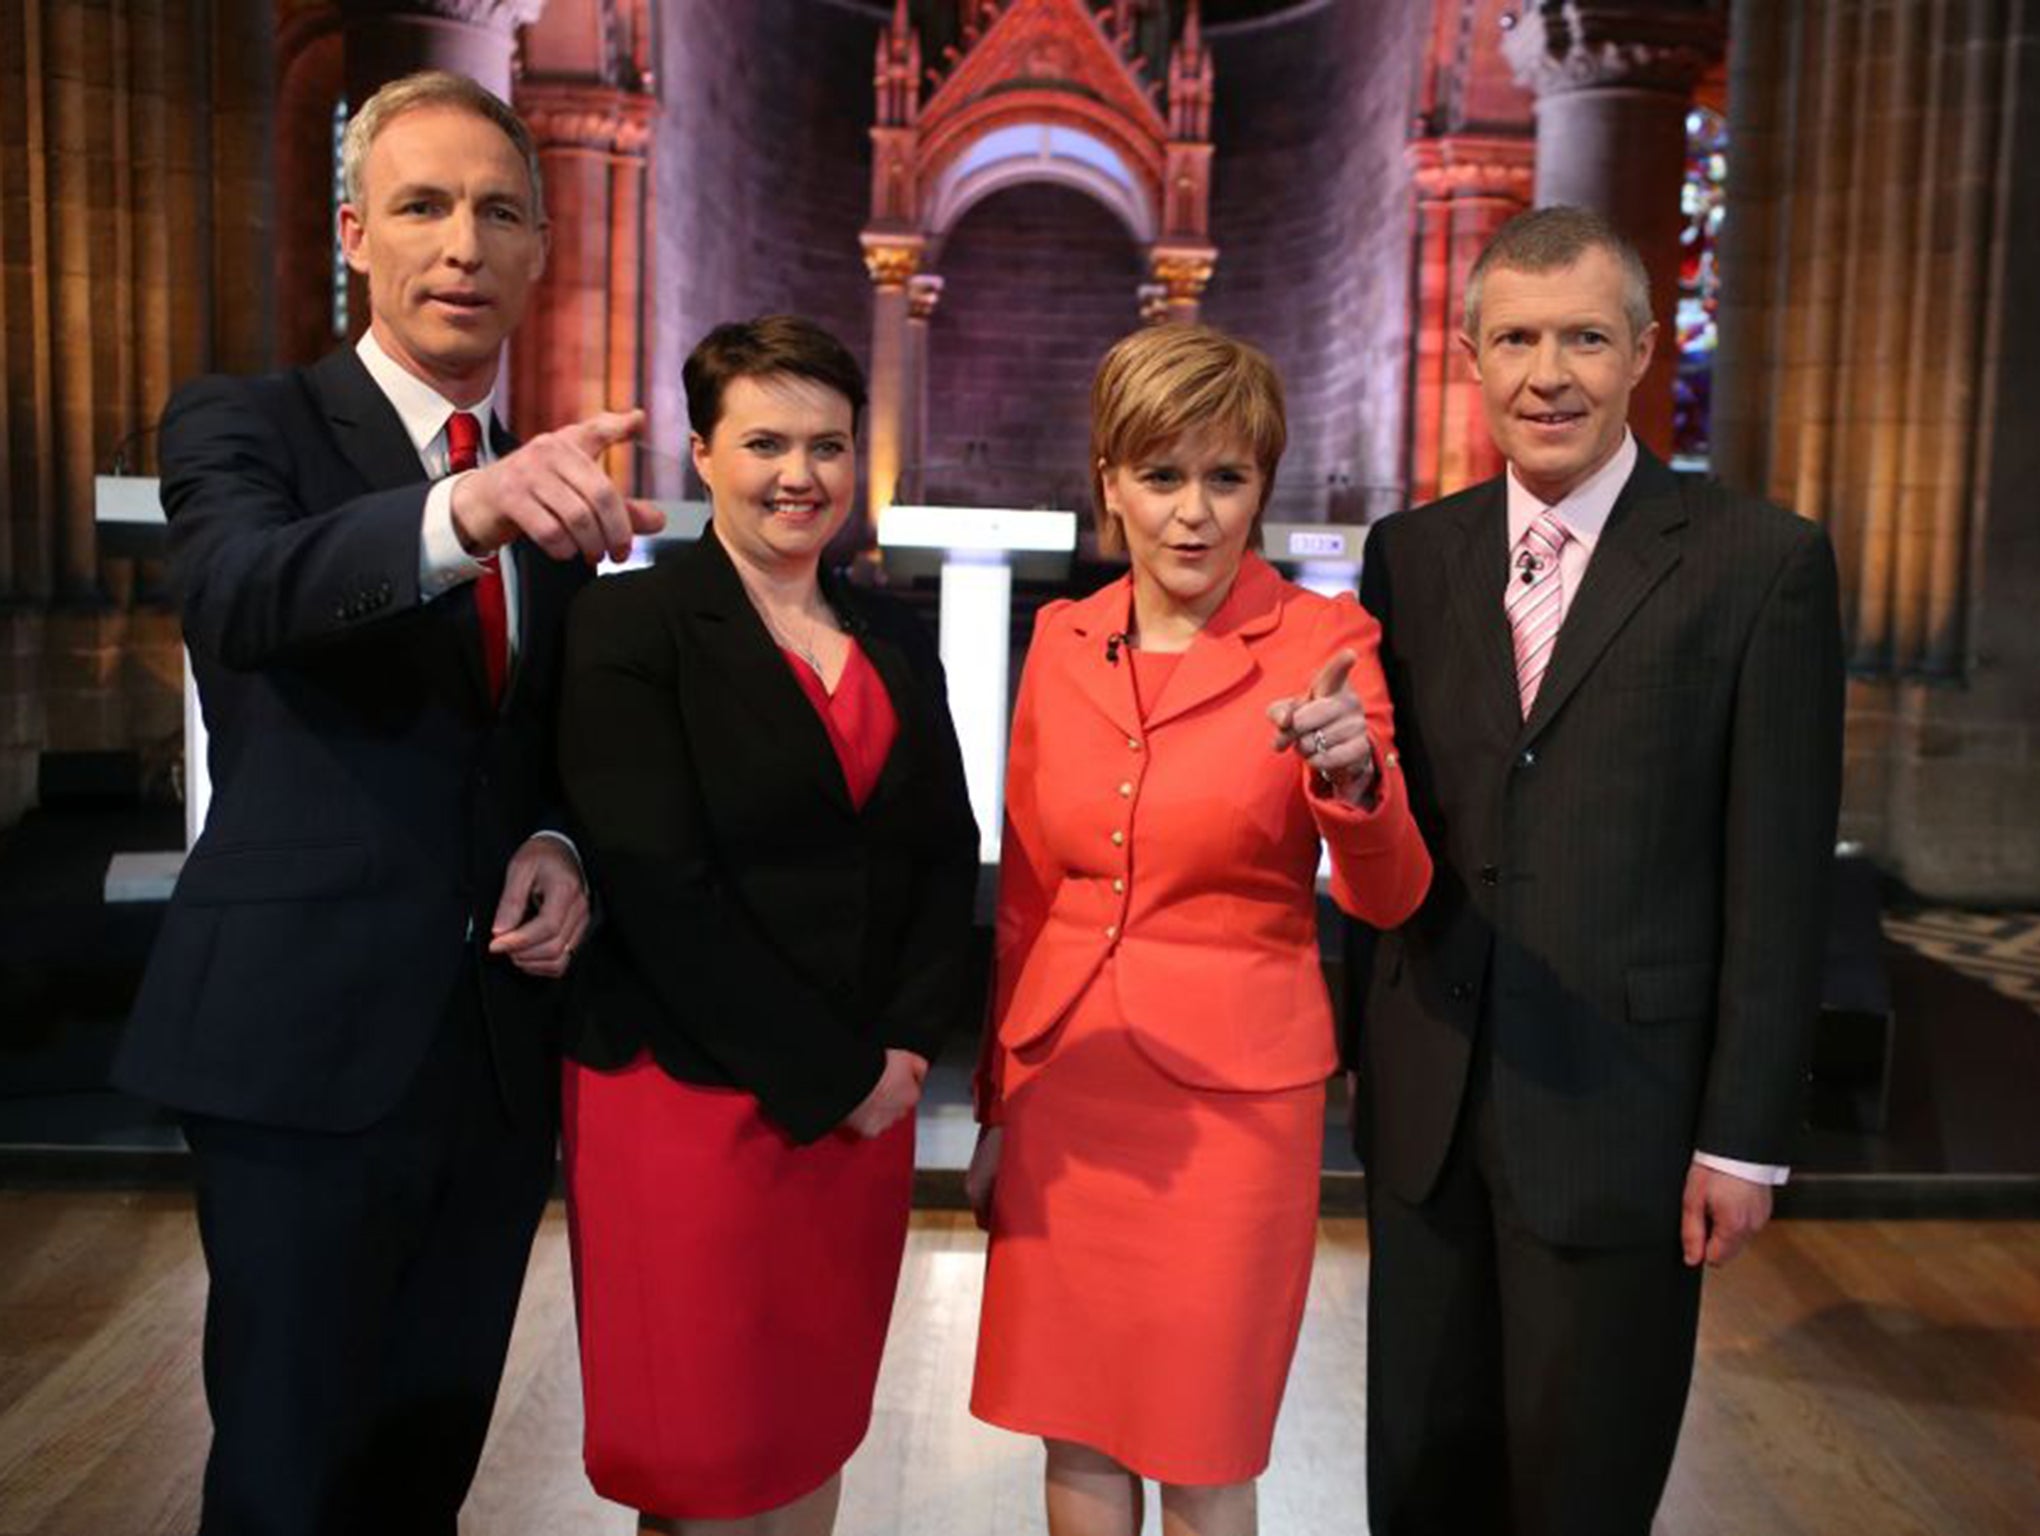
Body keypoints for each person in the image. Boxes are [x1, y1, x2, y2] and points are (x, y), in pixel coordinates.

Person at [115, 70, 662, 1536]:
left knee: (425, 1472)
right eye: (421, 207)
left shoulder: (548, 480)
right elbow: (238, 596)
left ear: (544, 248)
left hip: (490, 1058)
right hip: (297, 1045)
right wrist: (456, 515)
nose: (460, 245)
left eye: (496, 213)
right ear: (355, 234)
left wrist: (560, 842)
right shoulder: (247, 423)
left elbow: (544, 746)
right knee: (287, 1477)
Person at [1347, 204, 1846, 1535]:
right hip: (1430, 1111)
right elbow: (1387, 818)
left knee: (1581, 1484)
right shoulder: (1412, 553)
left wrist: (1743, 1137)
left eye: (1582, 337)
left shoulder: (1762, 564)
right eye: (1513, 338)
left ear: (1645, 349)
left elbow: (1779, 874)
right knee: (1422, 1473)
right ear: (1470, 353)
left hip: (1624, 1111)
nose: (1545, 373)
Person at [966, 324, 1433, 1536]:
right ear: (1107, 480)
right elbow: (1026, 892)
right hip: (1066, 1084)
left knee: (1203, 1438)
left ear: (1262, 487)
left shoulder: (1326, 645)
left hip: (1232, 1108)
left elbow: (1388, 897)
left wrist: (1356, 785)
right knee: (1072, 1429)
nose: (1192, 513)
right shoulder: (1063, 639)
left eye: (1225, 478)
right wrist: (998, 1106)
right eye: (1161, 476)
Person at [555, 315, 980, 1536]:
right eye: (765, 443)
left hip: (868, 1104)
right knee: (702, 1453)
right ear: (700, 453)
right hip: (690, 1099)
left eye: (828, 445)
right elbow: (653, 879)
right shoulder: (630, 627)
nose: (800, 475)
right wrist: (833, 1072)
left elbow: (943, 853)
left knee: (807, 1426)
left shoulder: (895, 638)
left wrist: (903, 1049)